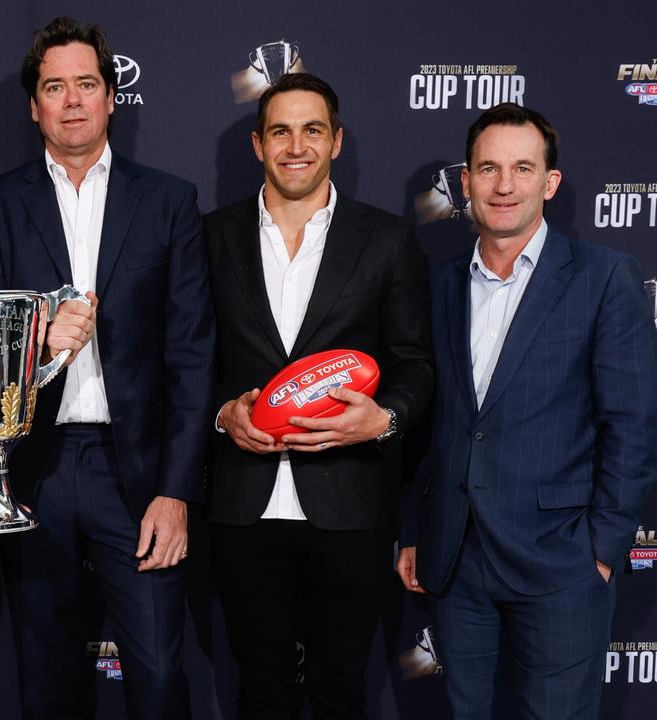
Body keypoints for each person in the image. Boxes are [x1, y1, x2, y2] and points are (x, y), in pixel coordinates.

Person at [0, 17, 213, 718]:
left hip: (135, 473)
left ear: (111, 96)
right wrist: (40, 345)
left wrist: (176, 492)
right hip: (35, 469)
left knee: (161, 677)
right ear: (33, 105)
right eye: (54, 87)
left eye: (86, 84)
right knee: (45, 682)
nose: (72, 101)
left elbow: (191, 355)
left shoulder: (168, 200)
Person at [397, 103, 657, 719]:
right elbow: (431, 423)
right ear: (465, 184)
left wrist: (602, 548)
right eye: (488, 168)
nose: (504, 185)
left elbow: (633, 422)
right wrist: (414, 529)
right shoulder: (439, 286)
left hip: (562, 560)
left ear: (550, 182)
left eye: (521, 167)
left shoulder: (604, 277)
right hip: (457, 562)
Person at [204, 72, 433, 719]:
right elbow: (188, 361)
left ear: (337, 140)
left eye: (312, 130)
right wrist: (222, 413)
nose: (295, 146)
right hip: (245, 505)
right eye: (280, 130)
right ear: (257, 144)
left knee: (341, 691)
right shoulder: (210, 236)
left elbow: (416, 364)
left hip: (350, 503)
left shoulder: (386, 239)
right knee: (259, 690)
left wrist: (383, 420)